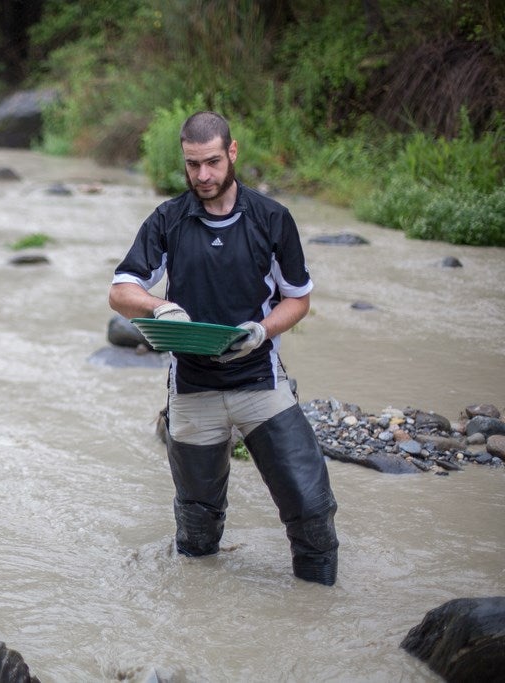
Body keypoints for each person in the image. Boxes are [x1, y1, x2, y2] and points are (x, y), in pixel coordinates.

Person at [108, 111, 339, 586]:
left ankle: (317, 607)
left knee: (310, 507)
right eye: (192, 165)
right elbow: (120, 291)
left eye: (212, 162)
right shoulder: (168, 220)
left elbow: (298, 299)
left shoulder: (272, 219)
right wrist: (160, 307)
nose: (203, 176)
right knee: (197, 528)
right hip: (193, 391)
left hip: (261, 382)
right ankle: (199, 617)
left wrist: (261, 330)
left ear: (232, 153)